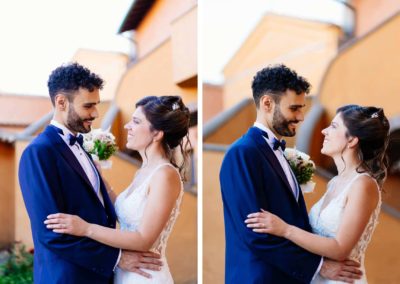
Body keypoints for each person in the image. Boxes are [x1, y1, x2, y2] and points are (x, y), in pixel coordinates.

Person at [19, 63, 162, 284]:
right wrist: (117, 259)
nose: (95, 113)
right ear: (61, 102)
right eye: (88, 106)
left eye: (96, 105)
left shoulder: (83, 146)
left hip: (101, 276)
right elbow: (50, 233)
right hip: (67, 277)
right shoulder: (39, 153)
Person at [219, 64, 363, 284]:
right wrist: (320, 267)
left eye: (302, 108)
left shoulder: (279, 153)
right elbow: (255, 234)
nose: (301, 116)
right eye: (294, 108)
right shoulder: (242, 153)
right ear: (267, 103)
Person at [44, 95, 191, 283]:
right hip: (125, 273)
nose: (127, 126)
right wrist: (95, 176)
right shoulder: (144, 171)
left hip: (145, 276)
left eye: (136, 122)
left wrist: (85, 228)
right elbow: (124, 209)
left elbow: (144, 239)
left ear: (157, 133)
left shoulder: (165, 175)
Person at [246, 105, 389, 283]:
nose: (324, 131)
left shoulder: (363, 185)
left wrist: (285, 229)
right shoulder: (335, 183)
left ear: (352, 140)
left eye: (334, 126)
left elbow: (340, 248)